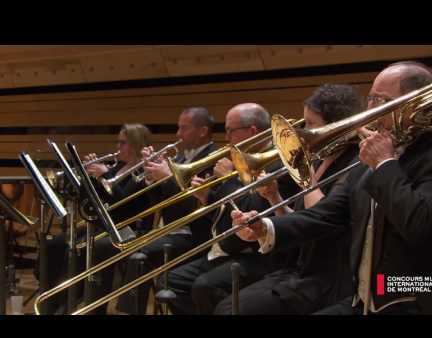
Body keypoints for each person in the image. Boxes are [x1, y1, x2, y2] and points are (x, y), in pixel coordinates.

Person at [231, 62, 432, 315]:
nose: (369, 109)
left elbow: (421, 227)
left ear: (415, 104)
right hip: (369, 297)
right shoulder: (369, 159)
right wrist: (264, 227)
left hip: (420, 297)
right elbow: (325, 214)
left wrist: (384, 163)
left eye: (381, 100)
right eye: (370, 98)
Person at [214, 84, 363, 315]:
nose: (303, 131)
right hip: (299, 267)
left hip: (329, 275)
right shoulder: (317, 161)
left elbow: (322, 220)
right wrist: (274, 197)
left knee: (232, 310)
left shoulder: (354, 163)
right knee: (227, 306)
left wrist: (307, 179)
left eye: (311, 123)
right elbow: (299, 222)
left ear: (335, 125)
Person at [167, 103, 297, 315]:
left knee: (205, 286)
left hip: (259, 254)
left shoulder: (275, 163)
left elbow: (254, 210)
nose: (226, 137)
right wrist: (208, 198)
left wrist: (227, 183)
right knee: (175, 280)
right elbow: (231, 210)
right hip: (231, 245)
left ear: (252, 131)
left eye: (230, 130)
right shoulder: (242, 159)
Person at [116, 107, 218, 314]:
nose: (178, 134)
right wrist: (152, 177)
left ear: (202, 131)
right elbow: (160, 203)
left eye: (184, 128)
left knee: (139, 254)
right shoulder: (179, 159)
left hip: (194, 233)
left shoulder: (214, 159)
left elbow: (197, 206)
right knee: (126, 246)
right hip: (170, 229)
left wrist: (168, 179)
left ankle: (130, 311)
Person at [45, 123, 153, 315]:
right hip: (103, 224)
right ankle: (52, 302)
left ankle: (86, 304)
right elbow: (93, 201)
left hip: (126, 229)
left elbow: (123, 206)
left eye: (123, 143)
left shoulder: (142, 171)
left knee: (88, 247)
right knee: (56, 243)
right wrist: (90, 178)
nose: (118, 147)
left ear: (136, 145)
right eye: (118, 142)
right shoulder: (117, 166)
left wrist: (105, 175)